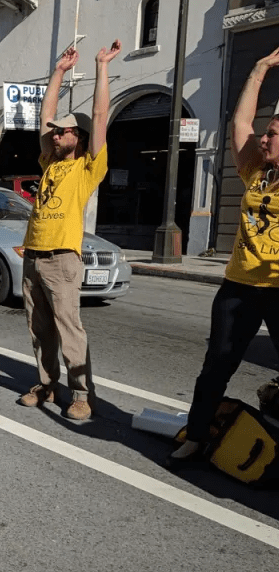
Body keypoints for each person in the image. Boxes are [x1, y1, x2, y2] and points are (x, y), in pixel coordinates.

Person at [169, 46, 279, 465]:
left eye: (272, 134)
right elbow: (241, 122)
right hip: (238, 287)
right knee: (216, 366)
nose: (262, 138)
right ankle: (196, 436)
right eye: (265, 132)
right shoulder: (255, 170)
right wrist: (259, 68)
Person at [17, 40, 120, 421]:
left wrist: (100, 65)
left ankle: (81, 394)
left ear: (78, 136)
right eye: (55, 132)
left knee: (69, 329)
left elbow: (100, 111)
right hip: (34, 256)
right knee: (39, 328)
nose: (56, 134)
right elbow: (46, 115)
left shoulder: (87, 167)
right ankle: (46, 384)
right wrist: (58, 72)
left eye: (63, 132)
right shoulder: (50, 162)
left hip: (62, 259)